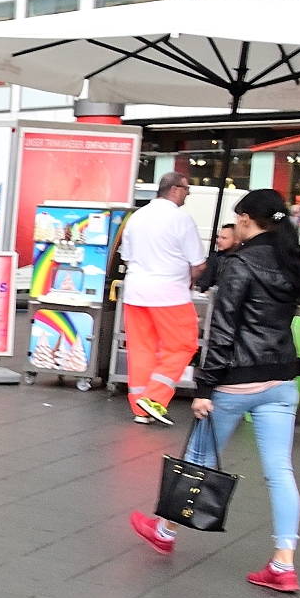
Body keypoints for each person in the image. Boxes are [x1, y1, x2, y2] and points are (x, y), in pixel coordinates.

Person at [130, 189, 300, 592]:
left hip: (237, 378)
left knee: (199, 456)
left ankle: (165, 530)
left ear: (245, 219)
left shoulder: (239, 263)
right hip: (282, 378)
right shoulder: (291, 262)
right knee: (280, 471)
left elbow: (223, 331)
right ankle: (283, 563)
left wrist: (205, 387)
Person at [116, 172, 206, 426]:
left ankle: (140, 407)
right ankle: (154, 397)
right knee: (183, 344)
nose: (188, 194)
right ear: (175, 189)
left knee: (141, 349)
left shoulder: (137, 217)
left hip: (135, 293)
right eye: (187, 189)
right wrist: (189, 280)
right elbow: (198, 264)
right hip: (170, 294)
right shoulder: (181, 219)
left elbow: (127, 257)